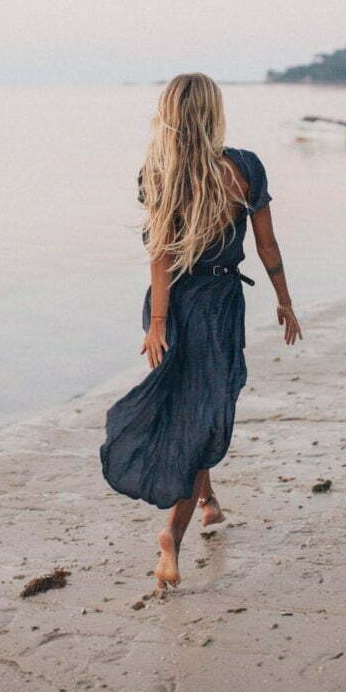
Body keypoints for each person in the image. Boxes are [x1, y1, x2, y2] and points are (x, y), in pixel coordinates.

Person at [99, 73, 302, 589]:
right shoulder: (245, 167)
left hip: (170, 306)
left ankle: (208, 501)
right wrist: (284, 300)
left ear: (167, 114)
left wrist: (160, 324)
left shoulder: (157, 173)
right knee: (205, 413)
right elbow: (268, 246)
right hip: (216, 305)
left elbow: (160, 256)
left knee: (195, 405)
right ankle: (172, 537)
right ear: (214, 112)